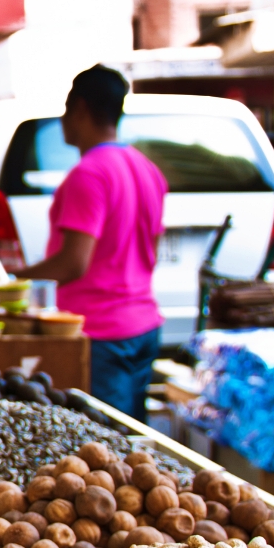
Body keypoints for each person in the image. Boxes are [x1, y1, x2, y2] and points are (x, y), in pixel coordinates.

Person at [18, 65, 166, 419]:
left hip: (101, 334)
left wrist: (11, 282)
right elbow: (152, 251)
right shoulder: (148, 169)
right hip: (143, 325)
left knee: (104, 450)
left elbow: (73, 263)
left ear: (80, 108)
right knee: (128, 444)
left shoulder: (89, 174)